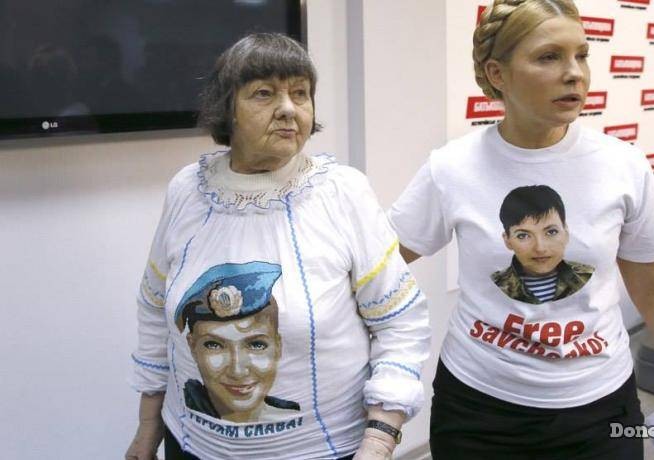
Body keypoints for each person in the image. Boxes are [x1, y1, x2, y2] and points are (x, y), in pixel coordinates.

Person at [389, 1, 654, 458]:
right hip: (478, 410)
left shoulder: (622, 166)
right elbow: (377, 266)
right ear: (497, 74)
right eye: (549, 57)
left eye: (581, 55)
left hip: (599, 410)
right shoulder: (452, 168)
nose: (575, 73)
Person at [125, 33, 430, 460]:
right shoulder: (187, 191)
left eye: (300, 93)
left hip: (323, 451)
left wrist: (379, 441)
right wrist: (148, 426)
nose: (288, 109)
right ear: (227, 108)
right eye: (264, 93)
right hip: (192, 446)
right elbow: (155, 308)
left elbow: (400, 323)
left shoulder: (342, 192)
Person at [175, 261, 300, 423]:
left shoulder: (294, 415)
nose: (237, 371)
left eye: (256, 345)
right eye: (214, 345)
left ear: (278, 347)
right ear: (192, 347)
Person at [491, 184, 593, 303]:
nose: (540, 248)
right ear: (507, 240)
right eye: (523, 236)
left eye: (551, 232)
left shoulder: (589, 277)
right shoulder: (492, 287)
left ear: (566, 232)